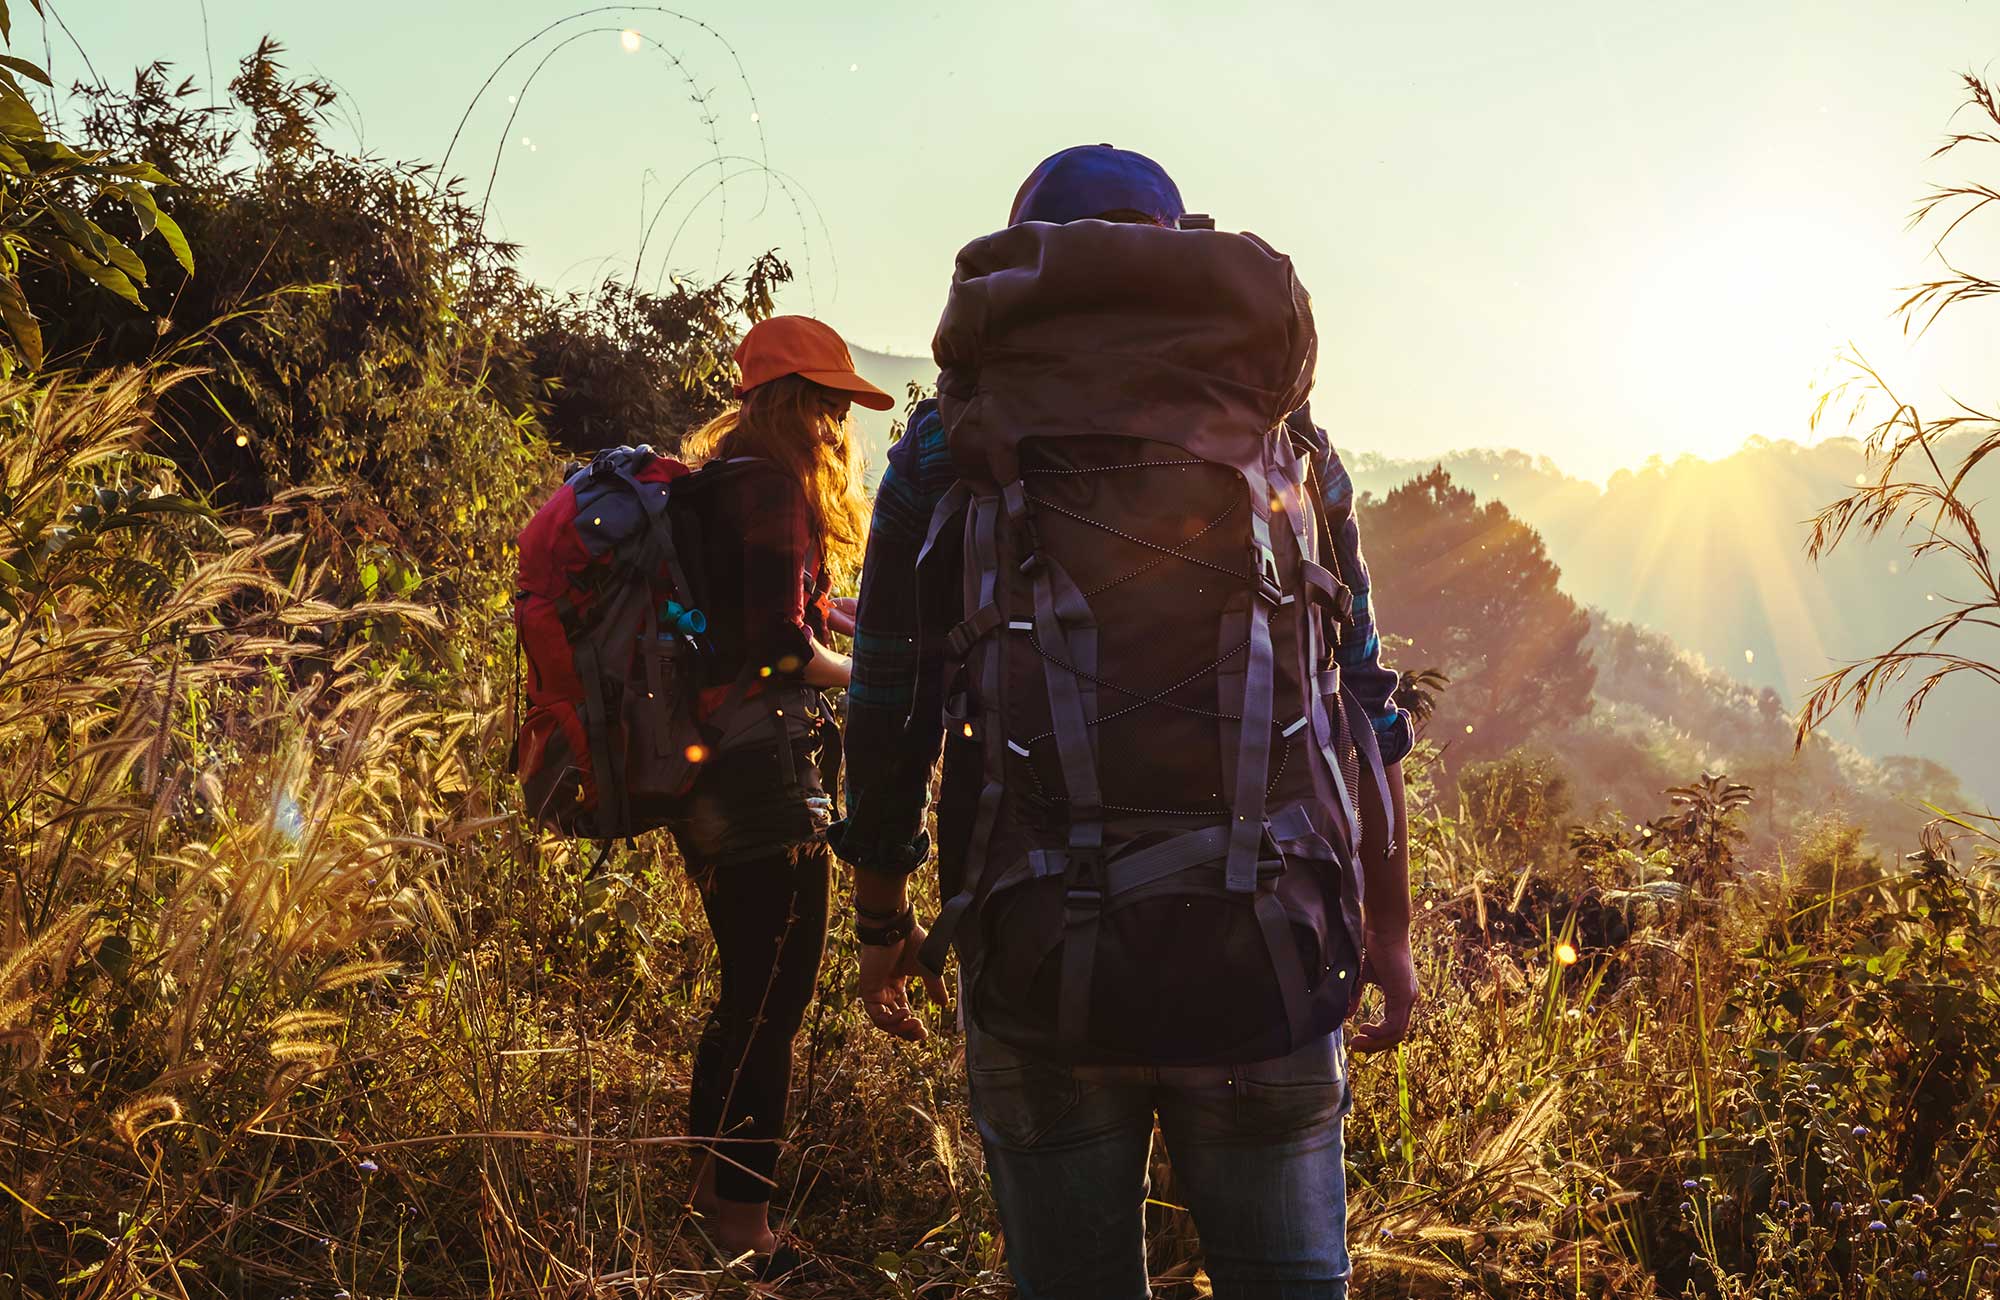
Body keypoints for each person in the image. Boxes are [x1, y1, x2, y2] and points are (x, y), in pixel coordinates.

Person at [828, 147, 1419, 1299]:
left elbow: (887, 700)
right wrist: (1386, 928)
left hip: (1036, 949)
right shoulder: (1284, 442)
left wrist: (879, 916)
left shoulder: (949, 446)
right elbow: (1358, 696)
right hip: (1272, 952)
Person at [669, 314, 892, 1264]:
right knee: (772, 1004)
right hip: (763, 780)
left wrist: (836, 619)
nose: (841, 424)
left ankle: (705, 1193)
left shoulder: (722, 483)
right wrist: (876, 676)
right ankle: (746, 1231)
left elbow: (757, 619)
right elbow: (778, 651)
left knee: (744, 992)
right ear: (799, 401)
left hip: (708, 773)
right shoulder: (772, 491)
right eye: (834, 403)